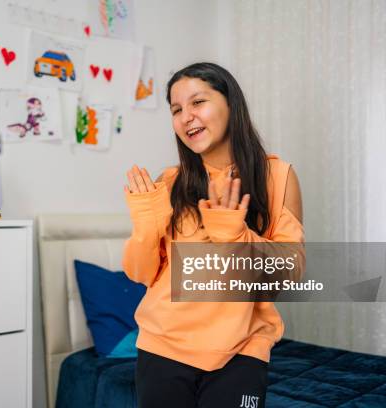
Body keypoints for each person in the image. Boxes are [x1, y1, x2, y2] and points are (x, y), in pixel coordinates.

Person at [122, 62, 304, 408]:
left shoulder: (279, 176)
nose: (186, 116)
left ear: (231, 104)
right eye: (176, 110)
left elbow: (289, 275)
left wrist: (234, 236)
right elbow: (141, 274)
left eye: (197, 102)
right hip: (162, 348)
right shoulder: (170, 182)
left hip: (242, 352)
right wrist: (146, 225)